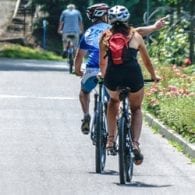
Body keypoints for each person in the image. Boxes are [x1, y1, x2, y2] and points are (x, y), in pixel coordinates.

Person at [74, 3, 165, 136]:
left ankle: (86, 115)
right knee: (115, 100)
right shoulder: (114, 30)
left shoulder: (89, 32)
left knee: (84, 91)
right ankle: (119, 126)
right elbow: (137, 31)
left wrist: (78, 71)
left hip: (94, 69)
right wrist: (154, 27)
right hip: (114, 70)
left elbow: (79, 56)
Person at [99, 5, 160, 165]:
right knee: (136, 109)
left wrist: (104, 77)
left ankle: (111, 141)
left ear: (110, 20)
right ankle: (135, 144)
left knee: (113, 102)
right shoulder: (135, 36)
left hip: (113, 76)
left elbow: (102, 62)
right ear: (127, 19)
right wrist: (153, 76)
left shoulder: (105, 36)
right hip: (133, 76)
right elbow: (146, 61)